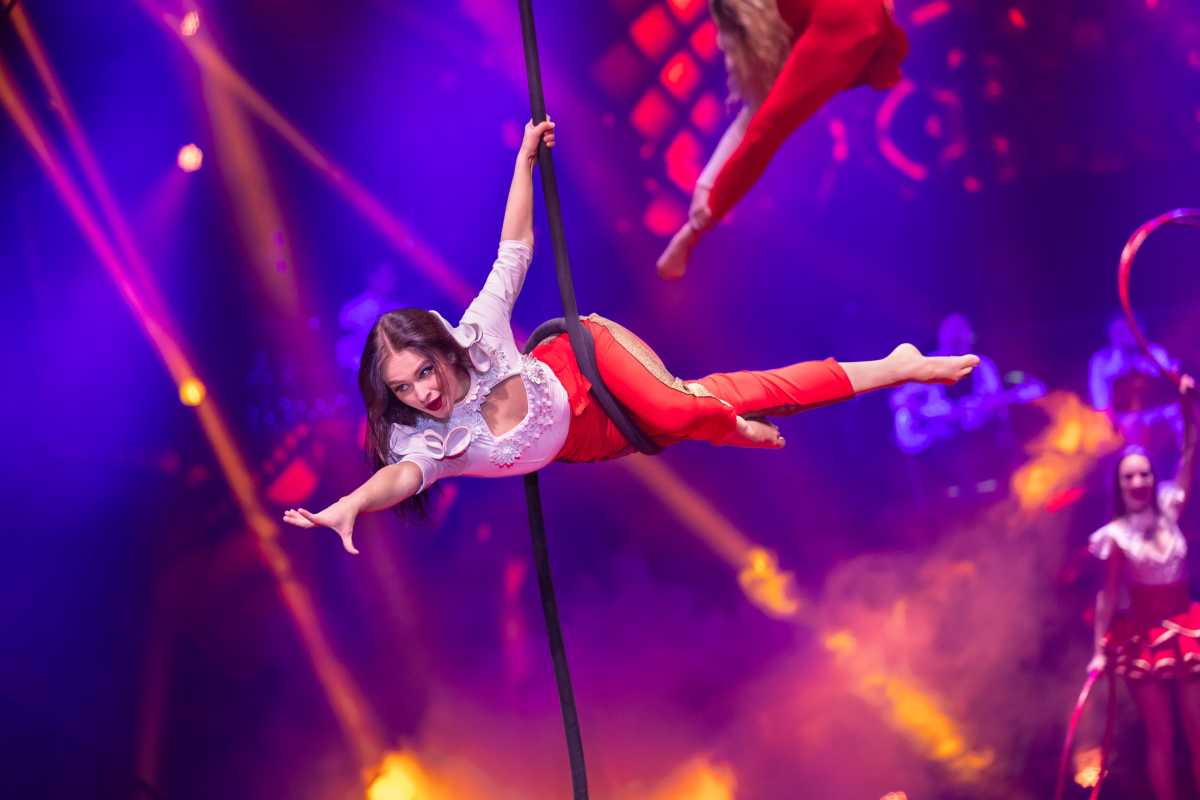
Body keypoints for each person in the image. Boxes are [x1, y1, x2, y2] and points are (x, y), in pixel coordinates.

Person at [283, 118, 978, 554]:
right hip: (595, 438)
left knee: (687, 410)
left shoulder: (480, 334)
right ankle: (895, 366)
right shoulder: (424, 442)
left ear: (439, 348)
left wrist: (525, 161)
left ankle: (728, 427)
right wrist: (348, 505)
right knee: (730, 396)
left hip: (590, 363)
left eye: (423, 373)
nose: (424, 392)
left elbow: (513, 249)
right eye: (404, 389)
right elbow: (397, 478)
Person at [656, 0, 909, 279]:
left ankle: (694, 228)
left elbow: (765, 128)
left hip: (848, 20)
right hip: (841, 21)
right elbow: (757, 118)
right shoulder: (824, 23)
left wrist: (693, 231)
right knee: (764, 117)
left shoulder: (843, 22)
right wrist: (704, 194)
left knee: (766, 124)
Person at [1089, 373, 1198, 800]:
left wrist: (1189, 407)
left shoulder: (1170, 508)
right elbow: (1109, 594)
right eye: (1129, 478)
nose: (1138, 483)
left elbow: (1191, 452)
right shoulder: (1116, 535)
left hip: (1186, 627)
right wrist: (1099, 650)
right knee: (1162, 738)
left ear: (1154, 478)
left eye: (1144, 475)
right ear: (1119, 486)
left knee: (1198, 731)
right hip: (1144, 635)